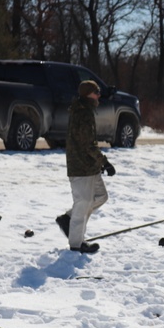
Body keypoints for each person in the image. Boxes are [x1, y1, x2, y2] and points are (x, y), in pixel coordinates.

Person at [56, 80, 115, 254]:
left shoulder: (86, 110)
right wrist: (104, 162)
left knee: (100, 196)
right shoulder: (83, 113)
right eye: (96, 92)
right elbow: (88, 144)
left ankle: (68, 218)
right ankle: (76, 245)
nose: (99, 95)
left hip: (90, 166)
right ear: (88, 94)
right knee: (83, 204)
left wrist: (98, 163)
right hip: (81, 167)